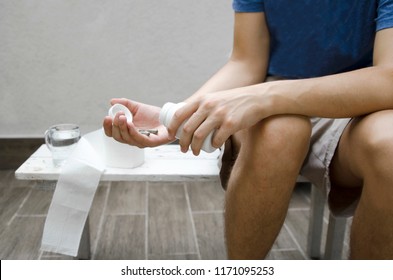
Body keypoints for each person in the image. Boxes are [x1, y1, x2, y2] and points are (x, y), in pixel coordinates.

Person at [103, 0, 393, 259]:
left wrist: (265, 97)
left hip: (356, 101)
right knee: (280, 130)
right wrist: (180, 117)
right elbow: (247, 61)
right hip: (271, 98)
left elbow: (388, 78)